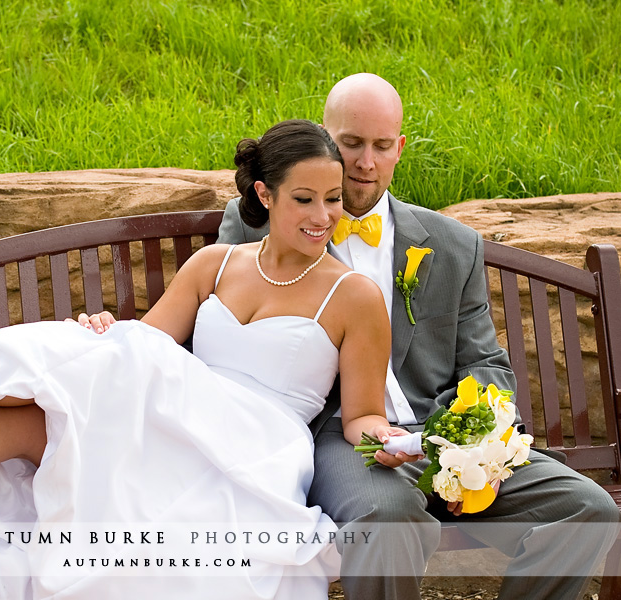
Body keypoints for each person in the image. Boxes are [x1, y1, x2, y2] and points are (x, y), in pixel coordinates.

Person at [0, 120, 405, 600]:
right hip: (180, 419)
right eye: (305, 199)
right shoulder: (213, 266)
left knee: (100, 367)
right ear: (266, 194)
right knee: (46, 420)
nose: (325, 216)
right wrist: (105, 332)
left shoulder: (353, 295)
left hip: (258, 448)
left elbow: (361, 416)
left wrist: (408, 445)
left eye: (332, 199)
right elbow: (151, 342)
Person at [216, 73, 620, 599]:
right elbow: (211, 329)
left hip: (440, 429)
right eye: (351, 143)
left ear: (400, 148)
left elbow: (486, 363)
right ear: (324, 139)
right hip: (339, 437)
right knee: (388, 515)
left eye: (382, 146)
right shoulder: (265, 223)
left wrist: (477, 448)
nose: (366, 162)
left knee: (589, 511)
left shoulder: (453, 246)